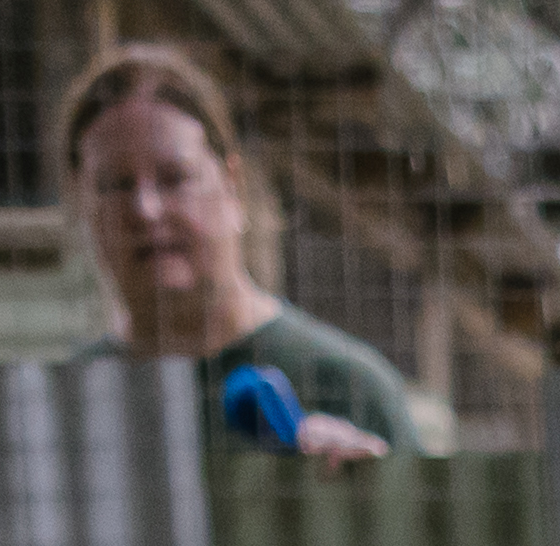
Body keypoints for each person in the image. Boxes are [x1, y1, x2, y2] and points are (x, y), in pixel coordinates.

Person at [62, 40, 433, 464]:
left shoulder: (349, 387)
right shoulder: (69, 400)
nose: (145, 210)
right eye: (115, 185)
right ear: (82, 206)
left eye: (174, 177)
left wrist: (372, 496)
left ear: (232, 186)